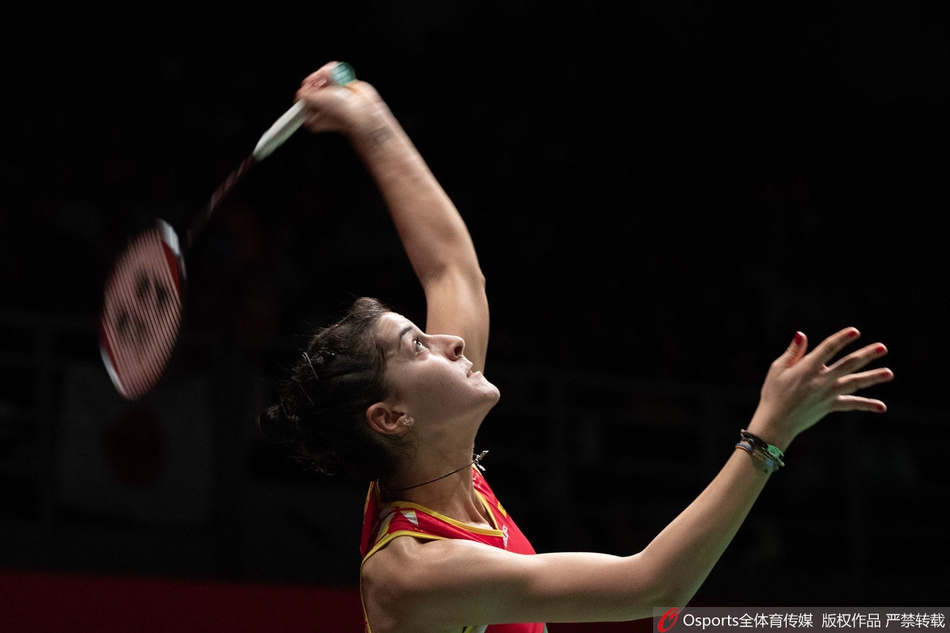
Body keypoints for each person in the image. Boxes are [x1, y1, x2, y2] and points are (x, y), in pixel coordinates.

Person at [257, 61, 894, 633]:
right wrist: (769, 434)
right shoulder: (416, 571)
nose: (450, 341)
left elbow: (451, 270)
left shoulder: (438, 474)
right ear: (391, 417)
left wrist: (369, 119)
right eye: (417, 346)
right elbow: (653, 586)